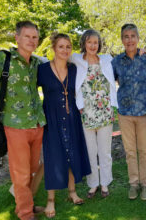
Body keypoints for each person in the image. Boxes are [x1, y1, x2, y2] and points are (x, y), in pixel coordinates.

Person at [0, 21, 46, 220]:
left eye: (35, 37)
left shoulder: (37, 63)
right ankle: (25, 213)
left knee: (31, 170)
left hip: (37, 124)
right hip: (15, 125)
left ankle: (26, 203)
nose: (31, 40)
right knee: (20, 172)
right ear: (17, 38)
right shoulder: (3, 58)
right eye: (27, 36)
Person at [37, 33, 91, 218]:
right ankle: (50, 200)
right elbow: (29, 92)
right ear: (53, 48)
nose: (65, 50)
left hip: (72, 117)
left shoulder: (74, 69)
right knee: (53, 156)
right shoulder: (42, 70)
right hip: (51, 119)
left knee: (72, 153)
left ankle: (72, 192)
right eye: (61, 46)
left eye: (68, 46)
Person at [71, 29, 118, 198]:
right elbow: (55, 58)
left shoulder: (107, 60)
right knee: (90, 152)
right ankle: (93, 184)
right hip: (86, 113)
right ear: (84, 43)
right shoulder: (76, 59)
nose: (92, 45)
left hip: (105, 111)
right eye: (89, 42)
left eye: (95, 42)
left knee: (105, 152)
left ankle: (105, 183)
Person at [111, 23, 146, 200]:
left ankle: (145, 184)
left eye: (132, 36)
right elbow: (106, 80)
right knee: (130, 151)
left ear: (138, 38)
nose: (129, 40)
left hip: (144, 113)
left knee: (143, 151)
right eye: (126, 37)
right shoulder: (116, 62)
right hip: (125, 113)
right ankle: (133, 184)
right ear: (122, 39)